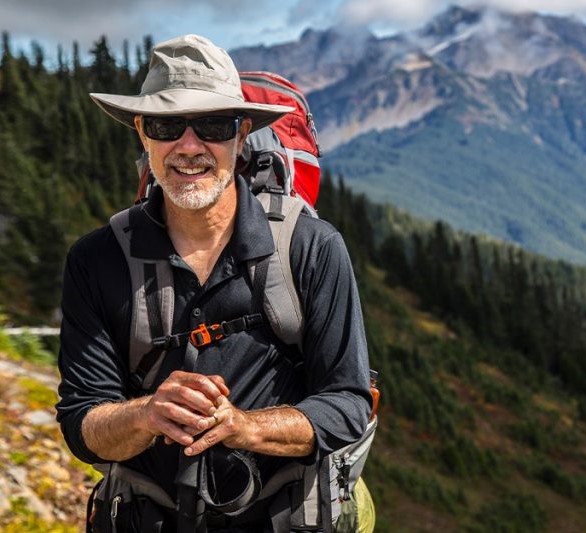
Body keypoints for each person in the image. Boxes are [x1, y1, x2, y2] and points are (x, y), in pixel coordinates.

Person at [56, 34, 372, 532]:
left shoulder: (311, 247)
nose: (188, 146)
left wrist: (243, 427)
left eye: (211, 125)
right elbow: (81, 422)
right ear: (142, 133)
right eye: (166, 125)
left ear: (241, 134)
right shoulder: (96, 261)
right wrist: (147, 415)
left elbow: (347, 405)